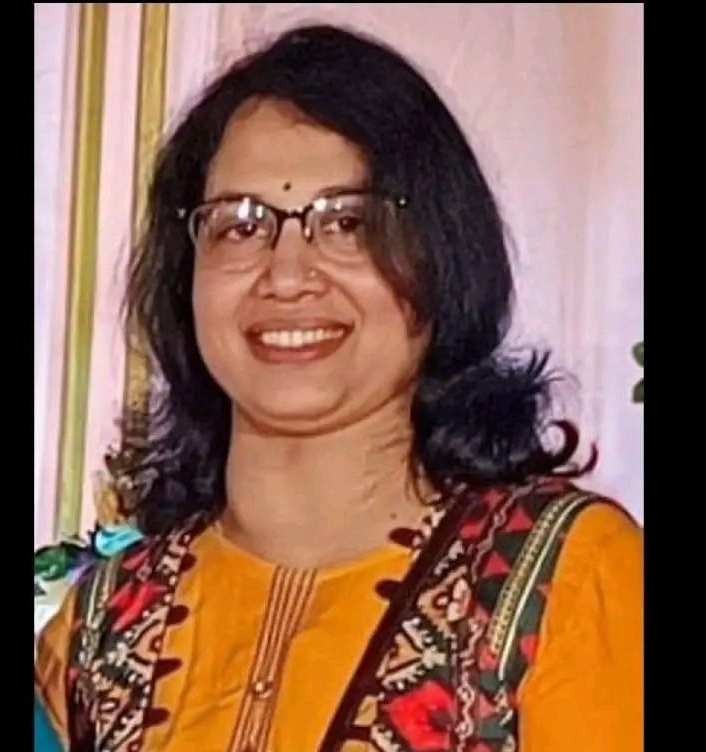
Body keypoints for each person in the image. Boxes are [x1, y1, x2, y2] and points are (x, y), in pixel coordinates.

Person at [34, 23, 643, 752]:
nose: (287, 275)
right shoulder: (100, 630)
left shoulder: (565, 578)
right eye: (239, 226)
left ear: (442, 259)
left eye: (348, 223)